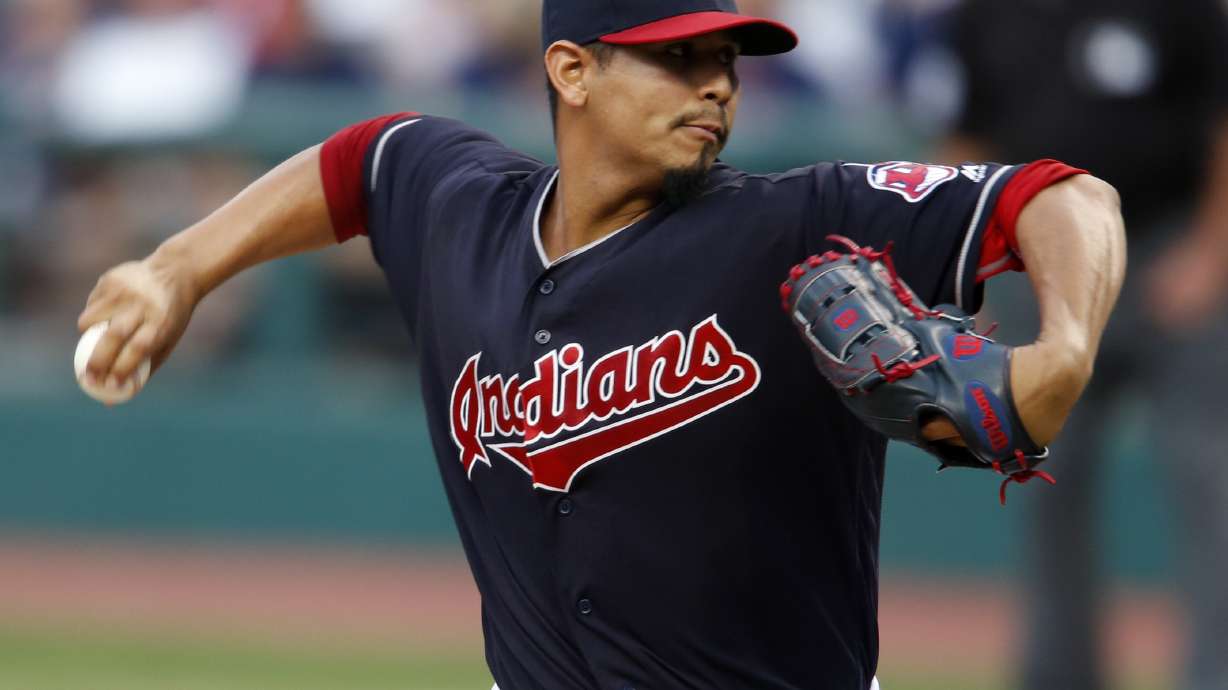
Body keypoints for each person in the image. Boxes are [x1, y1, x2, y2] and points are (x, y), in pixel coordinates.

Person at [76, 1, 1125, 687]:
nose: (716, 84)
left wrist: (1065, 346)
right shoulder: (460, 209)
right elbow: (360, 160)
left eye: (725, 59)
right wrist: (179, 268)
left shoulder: (798, 223)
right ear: (572, 71)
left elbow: (1062, 196)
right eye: (678, 58)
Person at [937, 1, 1228, 688]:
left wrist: (1210, 256)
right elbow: (966, 145)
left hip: (1169, 252)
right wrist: (962, 279)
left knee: (1211, 482)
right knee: (1040, 485)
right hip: (1041, 275)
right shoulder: (987, 14)